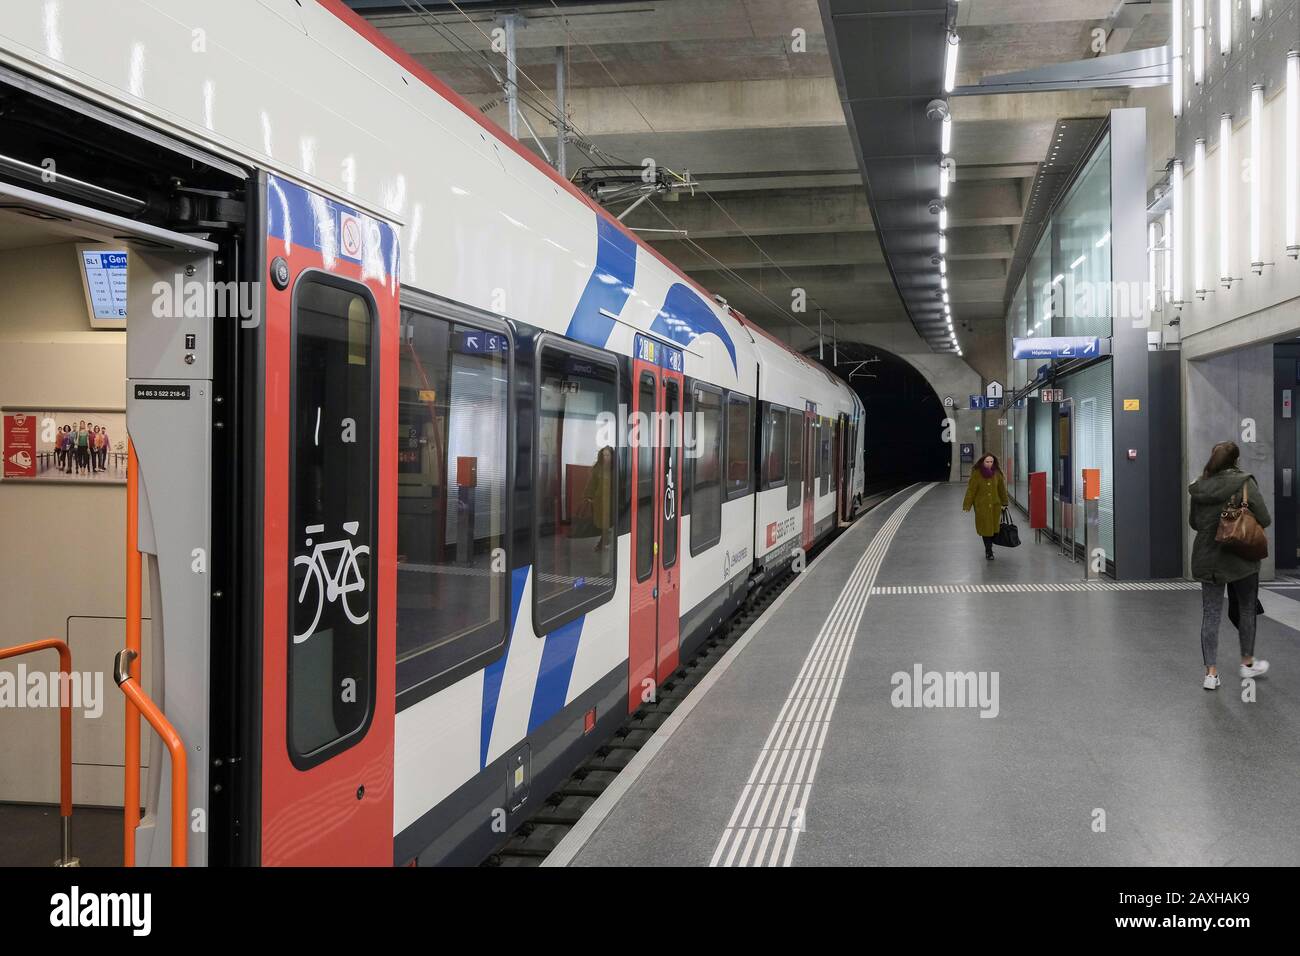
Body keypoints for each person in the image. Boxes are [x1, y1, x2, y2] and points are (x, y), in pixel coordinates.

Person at [1189, 441, 1272, 691]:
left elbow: (1194, 523)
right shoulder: (1245, 482)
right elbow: (1265, 519)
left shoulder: (1199, 486)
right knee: (1246, 609)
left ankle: (1211, 674)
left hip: (1208, 557)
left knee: (1211, 614)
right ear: (1235, 461)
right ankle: (1247, 664)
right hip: (1241, 558)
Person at [962, 453, 1009, 560]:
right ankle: (989, 551)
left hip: (995, 506)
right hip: (981, 507)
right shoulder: (977, 474)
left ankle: (990, 548)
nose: (989, 464)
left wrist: (1004, 503)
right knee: (985, 529)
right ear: (983, 462)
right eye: (987, 462)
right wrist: (967, 504)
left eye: (991, 462)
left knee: (994, 529)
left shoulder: (997, 473)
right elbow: (971, 490)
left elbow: (1001, 489)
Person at [584, 446, 614, 553]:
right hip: (600, 501)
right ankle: (603, 542)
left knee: (608, 523)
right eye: (604, 455)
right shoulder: (598, 468)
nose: (606, 457)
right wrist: (589, 496)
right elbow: (592, 483)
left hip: (612, 501)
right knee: (603, 524)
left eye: (608, 455)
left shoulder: (615, 469)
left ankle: (603, 542)